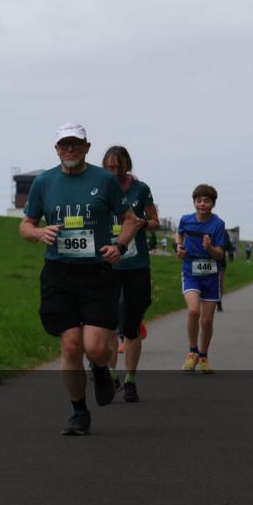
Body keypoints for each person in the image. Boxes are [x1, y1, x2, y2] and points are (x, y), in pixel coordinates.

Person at [20, 123, 137, 435]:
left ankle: (99, 368)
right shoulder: (44, 182)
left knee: (96, 348)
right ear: (56, 149)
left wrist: (119, 246)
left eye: (76, 144)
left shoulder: (104, 180)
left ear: (87, 147)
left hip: (97, 273)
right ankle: (79, 412)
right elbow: (26, 225)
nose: (70, 149)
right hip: (59, 273)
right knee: (71, 345)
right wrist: (38, 232)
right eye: (64, 144)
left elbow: (130, 220)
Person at [102, 146, 158, 403]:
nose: (115, 171)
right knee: (109, 324)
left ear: (128, 166)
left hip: (136, 265)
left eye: (120, 166)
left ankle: (131, 380)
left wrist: (141, 223)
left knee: (131, 326)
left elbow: (155, 221)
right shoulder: (99, 188)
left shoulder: (140, 189)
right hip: (108, 265)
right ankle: (112, 375)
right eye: (110, 167)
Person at [177, 184, 227, 374]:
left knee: (206, 320)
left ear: (213, 204)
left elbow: (220, 254)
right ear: (194, 202)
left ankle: (204, 356)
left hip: (211, 275)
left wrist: (210, 248)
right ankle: (192, 352)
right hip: (190, 271)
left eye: (207, 201)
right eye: (199, 201)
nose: (202, 204)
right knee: (193, 310)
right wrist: (179, 246)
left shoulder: (218, 224)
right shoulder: (186, 220)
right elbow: (179, 233)